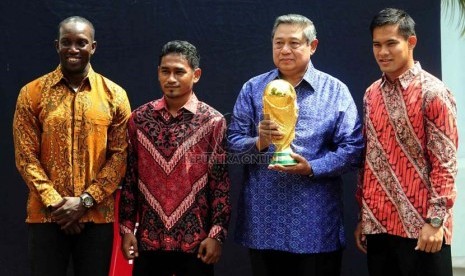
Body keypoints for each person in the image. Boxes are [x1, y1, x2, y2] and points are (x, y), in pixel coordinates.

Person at [228, 14, 363, 276]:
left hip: (315, 223)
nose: (285, 50)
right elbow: (232, 144)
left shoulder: (335, 91)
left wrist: (312, 167)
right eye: (279, 43)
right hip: (264, 223)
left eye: (294, 43)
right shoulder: (253, 89)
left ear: (313, 46)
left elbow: (353, 149)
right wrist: (260, 142)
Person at [12, 16, 131, 276]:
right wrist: (58, 205)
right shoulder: (31, 93)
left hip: (96, 218)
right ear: (57, 45)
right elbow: (25, 156)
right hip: (45, 216)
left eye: (81, 42)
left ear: (94, 47)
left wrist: (85, 202)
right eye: (67, 42)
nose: (73, 49)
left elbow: (120, 157)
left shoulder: (115, 95)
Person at [354, 8, 458, 276]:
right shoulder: (370, 95)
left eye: (391, 43)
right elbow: (369, 158)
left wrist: (436, 222)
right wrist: (364, 219)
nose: (382, 52)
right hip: (378, 225)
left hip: (422, 229)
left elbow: (445, 163)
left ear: (411, 42)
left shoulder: (433, 92)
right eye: (377, 45)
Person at [119, 40, 231, 276]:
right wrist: (127, 229)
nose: (171, 79)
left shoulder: (212, 122)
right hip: (148, 241)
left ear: (196, 74)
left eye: (179, 72)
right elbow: (130, 178)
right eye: (165, 71)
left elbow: (220, 184)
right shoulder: (138, 120)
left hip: (196, 243)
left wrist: (216, 235)